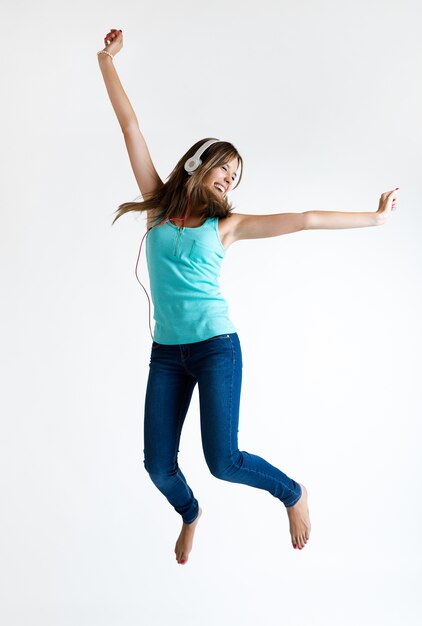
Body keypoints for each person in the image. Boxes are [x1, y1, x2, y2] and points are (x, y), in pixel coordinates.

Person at [97, 29, 399, 566]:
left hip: (216, 348)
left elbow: (304, 220)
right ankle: (190, 514)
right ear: (197, 164)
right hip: (167, 353)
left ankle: (293, 492)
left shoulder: (229, 226)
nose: (229, 181)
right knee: (158, 466)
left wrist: (375, 218)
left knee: (223, 460)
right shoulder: (158, 206)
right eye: (223, 168)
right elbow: (130, 126)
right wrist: (106, 59)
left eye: (235, 177)